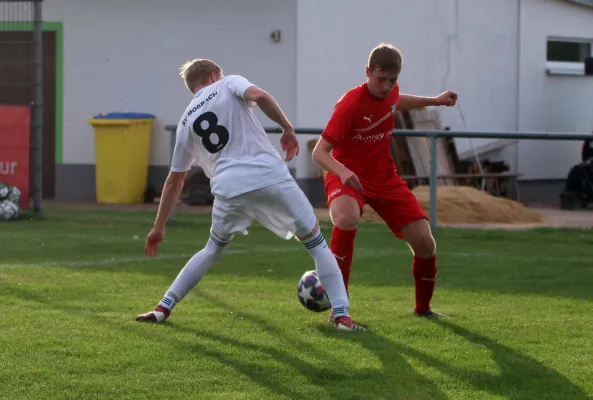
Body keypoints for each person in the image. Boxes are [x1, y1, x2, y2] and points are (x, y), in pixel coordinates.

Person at [136, 59, 364, 331]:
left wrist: (159, 226)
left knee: (212, 250)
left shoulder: (186, 120)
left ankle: (163, 307)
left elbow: (175, 180)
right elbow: (261, 96)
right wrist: (287, 128)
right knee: (316, 244)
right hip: (269, 175)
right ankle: (342, 317)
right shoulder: (228, 82)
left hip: (228, 188)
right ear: (213, 76)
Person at [312, 43, 458, 322]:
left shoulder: (390, 92)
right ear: (367, 72)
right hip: (347, 174)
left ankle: (423, 310)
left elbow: (397, 100)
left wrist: (435, 101)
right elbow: (319, 152)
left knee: (426, 244)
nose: (386, 86)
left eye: (392, 81)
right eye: (380, 79)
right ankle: (339, 311)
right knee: (345, 217)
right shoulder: (350, 104)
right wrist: (342, 172)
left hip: (384, 178)